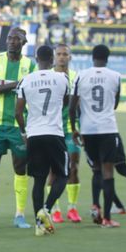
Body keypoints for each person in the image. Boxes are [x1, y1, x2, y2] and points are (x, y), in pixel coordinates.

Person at [0, 27, 36, 229]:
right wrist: (17, 84)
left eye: (16, 39)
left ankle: (19, 215)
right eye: (10, 38)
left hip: (19, 126)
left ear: (23, 43)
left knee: (20, 169)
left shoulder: (30, 65)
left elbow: (33, 93)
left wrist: (10, 85)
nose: (11, 41)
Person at [15, 45, 70, 236]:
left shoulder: (26, 80)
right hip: (54, 133)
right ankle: (45, 209)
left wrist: (24, 132)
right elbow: (66, 102)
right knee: (62, 176)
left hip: (34, 134)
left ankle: (40, 225)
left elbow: (18, 112)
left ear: (36, 58)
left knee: (39, 180)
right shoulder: (62, 78)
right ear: (52, 58)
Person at [69, 45, 124, 227]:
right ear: (107, 58)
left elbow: (72, 106)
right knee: (108, 172)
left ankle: (95, 205)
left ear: (92, 57)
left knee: (96, 170)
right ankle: (107, 218)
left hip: (88, 130)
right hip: (108, 129)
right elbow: (114, 105)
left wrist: (74, 128)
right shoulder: (115, 76)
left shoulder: (81, 75)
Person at [47, 44, 82, 223]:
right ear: (54, 57)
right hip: (54, 129)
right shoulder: (49, 77)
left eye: (65, 54)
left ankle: (72, 208)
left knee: (74, 167)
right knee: (54, 170)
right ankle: (55, 209)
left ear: (70, 57)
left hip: (72, 130)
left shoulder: (76, 76)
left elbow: (81, 103)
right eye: (59, 54)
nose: (61, 57)